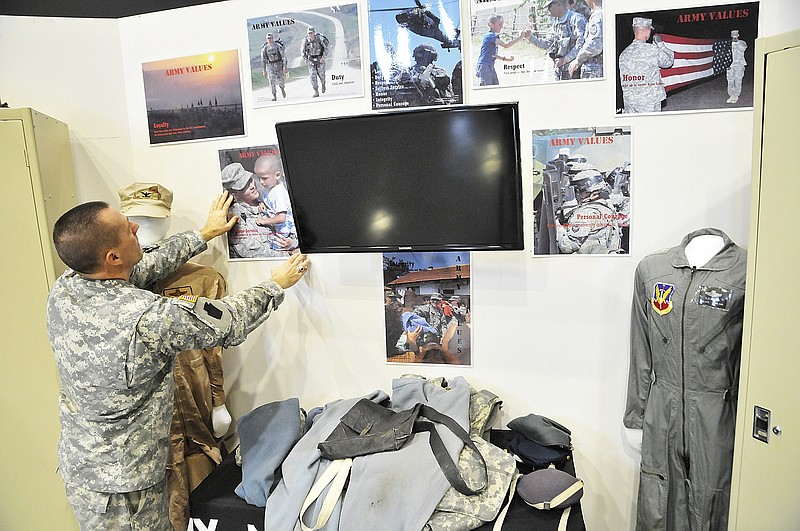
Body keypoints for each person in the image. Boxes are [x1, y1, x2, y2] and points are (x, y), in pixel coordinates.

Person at [47, 190, 310, 530]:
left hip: (85, 467)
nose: (136, 228)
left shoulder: (66, 287)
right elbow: (227, 321)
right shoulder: (145, 317)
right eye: (127, 229)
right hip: (125, 487)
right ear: (111, 257)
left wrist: (204, 234)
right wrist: (275, 285)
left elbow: (145, 264)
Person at [118, 182, 234, 531]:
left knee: (202, 494)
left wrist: (218, 402)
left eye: (156, 220)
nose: (148, 229)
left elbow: (214, 351)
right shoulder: (112, 287)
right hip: (145, 425)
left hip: (194, 411)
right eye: (136, 220)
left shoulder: (201, 279)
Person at [625, 228, 746, 531]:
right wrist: (635, 417)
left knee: (713, 500)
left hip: (719, 413)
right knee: (658, 496)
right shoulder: (652, 270)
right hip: (661, 408)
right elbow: (641, 351)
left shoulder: (747, 270)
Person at [220, 162, 296, 259]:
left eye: (250, 180)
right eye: (244, 186)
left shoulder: (267, 198)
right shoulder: (235, 216)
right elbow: (251, 251)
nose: (252, 186)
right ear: (234, 193)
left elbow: (292, 226)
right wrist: (290, 254)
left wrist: (292, 244)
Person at [555, 168, 627, 254]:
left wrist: (558, 226)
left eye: (576, 190)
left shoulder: (586, 213)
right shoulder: (607, 205)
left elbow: (567, 247)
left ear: (585, 191)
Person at [618, 17, 675, 113]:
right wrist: (661, 44)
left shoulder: (624, 53)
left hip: (629, 103)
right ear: (647, 30)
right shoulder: (651, 50)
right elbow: (668, 61)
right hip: (649, 102)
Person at [525, 0, 586, 80]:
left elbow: (581, 45)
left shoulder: (576, 20)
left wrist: (564, 60)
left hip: (575, 71)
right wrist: (531, 38)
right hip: (560, 72)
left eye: (550, 6)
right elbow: (548, 44)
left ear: (559, 4)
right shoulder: (555, 24)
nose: (548, 9)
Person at [253, 154, 296, 250]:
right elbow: (265, 198)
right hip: (278, 228)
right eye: (258, 178)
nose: (261, 182)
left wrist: (264, 221)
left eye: (264, 178)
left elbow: (282, 218)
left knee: (276, 248)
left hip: (287, 230)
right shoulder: (269, 187)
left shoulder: (278, 193)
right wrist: (262, 203)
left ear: (277, 175)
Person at [475, 14, 526, 86]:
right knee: (487, 90)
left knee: (495, 87)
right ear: (490, 25)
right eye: (499, 24)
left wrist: (505, 59)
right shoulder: (489, 36)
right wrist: (520, 37)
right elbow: (506, 45)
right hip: (484, 67)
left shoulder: (492, 36)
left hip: (489, 66)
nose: (502, 26)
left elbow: (492, 55)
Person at [568, 0, 603, 78]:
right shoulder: (599, 13)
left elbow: (595, 45)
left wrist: (578, 60)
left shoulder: (598, 15)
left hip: (595, 69)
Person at [301, 26, 328, 98]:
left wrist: (323, 58)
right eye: (309, 33)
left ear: (314, 33)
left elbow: (326, 49)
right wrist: (306, 60)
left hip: (320, 59)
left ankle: (323, 83)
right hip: (311, 60)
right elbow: (303, 53)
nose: (310, 35)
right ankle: (316, 91)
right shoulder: (305, 42)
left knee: (322, 75)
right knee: (313, 76)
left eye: (311, 33)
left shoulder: (319, 39)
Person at [260, 32, 287, 101]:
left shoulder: (278, 46)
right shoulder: (265, 48)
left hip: (279, 64)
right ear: (266, 39)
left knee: (281, 80)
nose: (270, 39)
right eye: (268, 38)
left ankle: (282, 88)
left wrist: (284, 66)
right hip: (270, 66)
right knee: (271, 80)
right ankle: (274, 95)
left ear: (273, 38)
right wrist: (264, 70)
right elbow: (263, 60)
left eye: (271, 38)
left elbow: (283, 56)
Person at [726, 29, 747, 104]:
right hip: (731, 65)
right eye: (733, 36)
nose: (734, 37)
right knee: (730, 80)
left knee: (738, 80)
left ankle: (736, 95)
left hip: (739, 64)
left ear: (738, 35)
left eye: (736, 35)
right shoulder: (728, 44)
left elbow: (743, 49)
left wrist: (736, 43)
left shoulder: (742, 43)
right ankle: (731, 95)